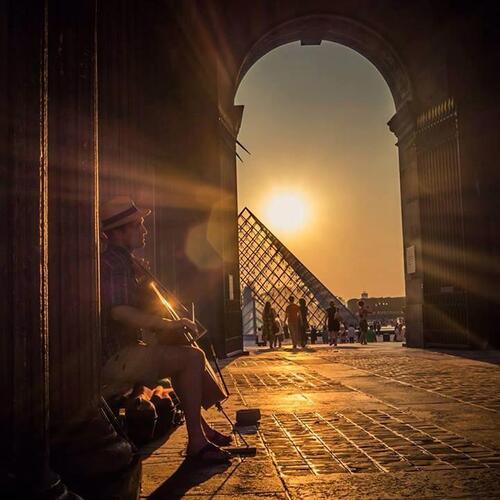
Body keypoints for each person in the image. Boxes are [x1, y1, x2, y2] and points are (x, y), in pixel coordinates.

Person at [99, 196, 231, 464]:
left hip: (125, 351)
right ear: (120, 231)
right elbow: (118, 311)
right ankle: (196, 441)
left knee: (186, 354)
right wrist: (166, 323)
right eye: (139, 225)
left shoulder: (125, 260)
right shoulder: (116, 261)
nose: (144, 230)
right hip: (116, 357)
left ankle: (201, 431)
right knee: (192, 358)